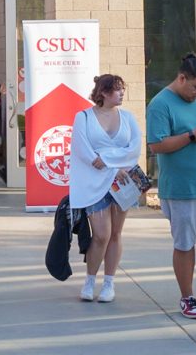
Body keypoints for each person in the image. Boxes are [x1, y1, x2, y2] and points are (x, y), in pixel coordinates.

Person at [146, 54, 196, 319]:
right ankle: (187, 297)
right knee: (184, 244)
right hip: (181, 189)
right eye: (195, 87)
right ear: (181, 78)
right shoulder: (160, 104)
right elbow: (156, 145)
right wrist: (192, 136)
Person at [68, 74, 142, 304]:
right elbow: (82, 150)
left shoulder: (128, 117)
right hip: (94, 182)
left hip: (122, 183)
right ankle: (90, 280)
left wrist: (108, 160)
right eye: (117, 90)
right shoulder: (84, 118)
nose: (122, 93)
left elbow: (134, 149)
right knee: (101, 235)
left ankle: (109, 283)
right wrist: (110, 164)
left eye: (122, 89)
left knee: (116, 234)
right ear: (103, 93)